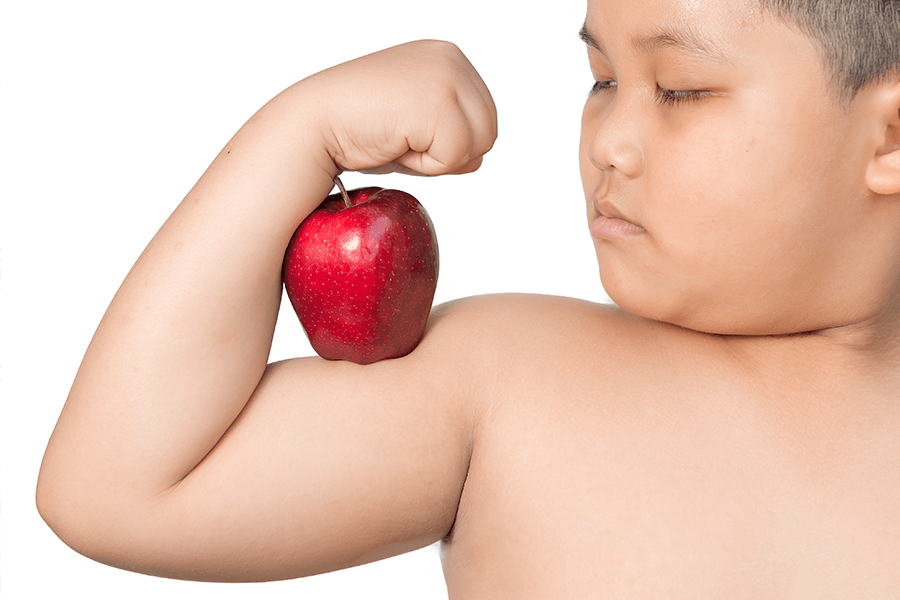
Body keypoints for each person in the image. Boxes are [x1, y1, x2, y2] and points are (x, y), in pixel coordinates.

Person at [36, 0, 900, 595]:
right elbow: (116, 491)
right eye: (601, 80)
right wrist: (300, 135)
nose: (611, 143)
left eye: (678, 89)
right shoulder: (514, 380)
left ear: (889, 137)